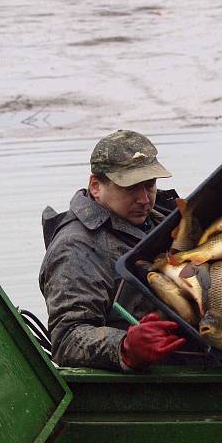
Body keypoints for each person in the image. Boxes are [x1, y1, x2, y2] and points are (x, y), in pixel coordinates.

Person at [39, 130, 186, 371]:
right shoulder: (75, 247)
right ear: (95, 186)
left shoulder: (166, 218)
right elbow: (67, 339)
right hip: (144, 385)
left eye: (149, 185)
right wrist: (125, 347)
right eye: (130, 188)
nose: (144, 199)